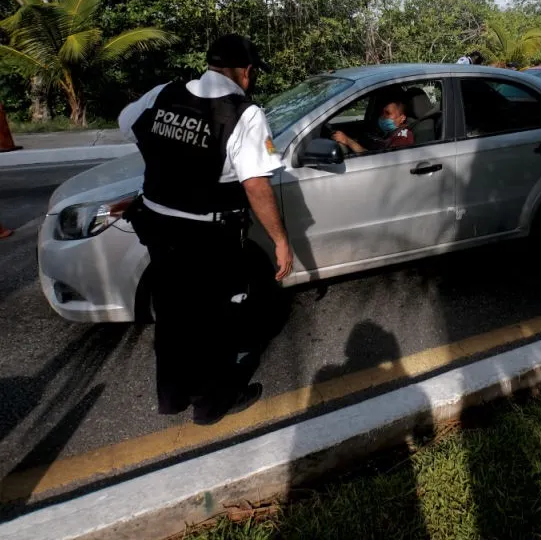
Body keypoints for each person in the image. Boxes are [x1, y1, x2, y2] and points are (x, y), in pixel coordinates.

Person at [118, 34, 293, 426]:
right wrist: (281, 241)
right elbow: (256, 185)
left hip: (159, 230)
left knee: (173, 315)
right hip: (208, 239)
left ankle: (173, 396)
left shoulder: (164, 93)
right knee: (216, 320)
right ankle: (211, 405)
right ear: (245, 72)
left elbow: (126, 126)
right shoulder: (243, 114)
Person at [331, 90, 415, 154]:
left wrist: (348, 141)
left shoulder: (402, 138)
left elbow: (377, 161)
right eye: (382, 113)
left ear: (402, 118)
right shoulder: (384, 133)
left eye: (387, 113)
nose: (382, 116)